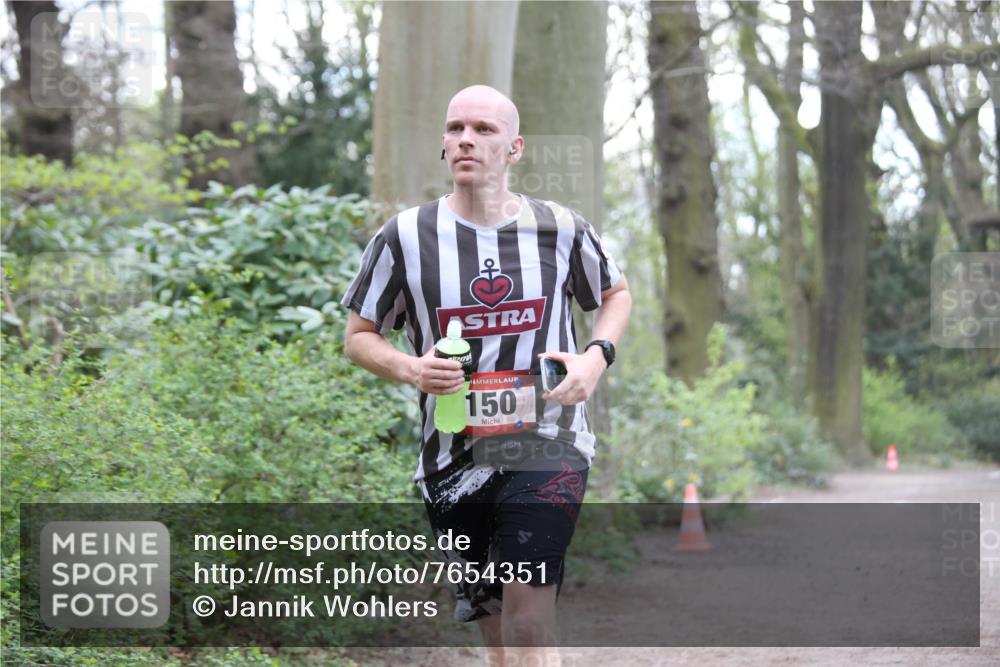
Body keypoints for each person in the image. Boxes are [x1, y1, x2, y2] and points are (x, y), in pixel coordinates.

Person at [341, 84, 631, 667]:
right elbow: (359, 337)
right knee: (495, 624)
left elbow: (615, 293)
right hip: (453, 455)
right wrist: (410, 368)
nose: (466, 139)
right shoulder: (403, 237)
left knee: (528, 615)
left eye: (484, 129)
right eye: (455, 128)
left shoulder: (560, 228)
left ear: (515, 147)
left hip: (548, 441)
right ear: (443, 145)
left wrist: (595, 356)